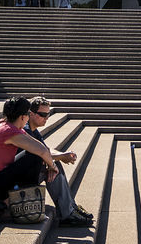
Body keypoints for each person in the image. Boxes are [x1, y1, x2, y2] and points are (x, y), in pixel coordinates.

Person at [21, 97, 93, 227]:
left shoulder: (33, 130)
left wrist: (61, 155)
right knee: (54, 167)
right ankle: (67, 213)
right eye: (43, 114)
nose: (46, 118)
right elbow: (41, 152)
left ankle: (71, 207)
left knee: (54, 166)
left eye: (48, 114)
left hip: (25, 172)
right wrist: (52, 163)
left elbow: (45, 149)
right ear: (30, 113)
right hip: (17, 179)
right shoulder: (25, 131)